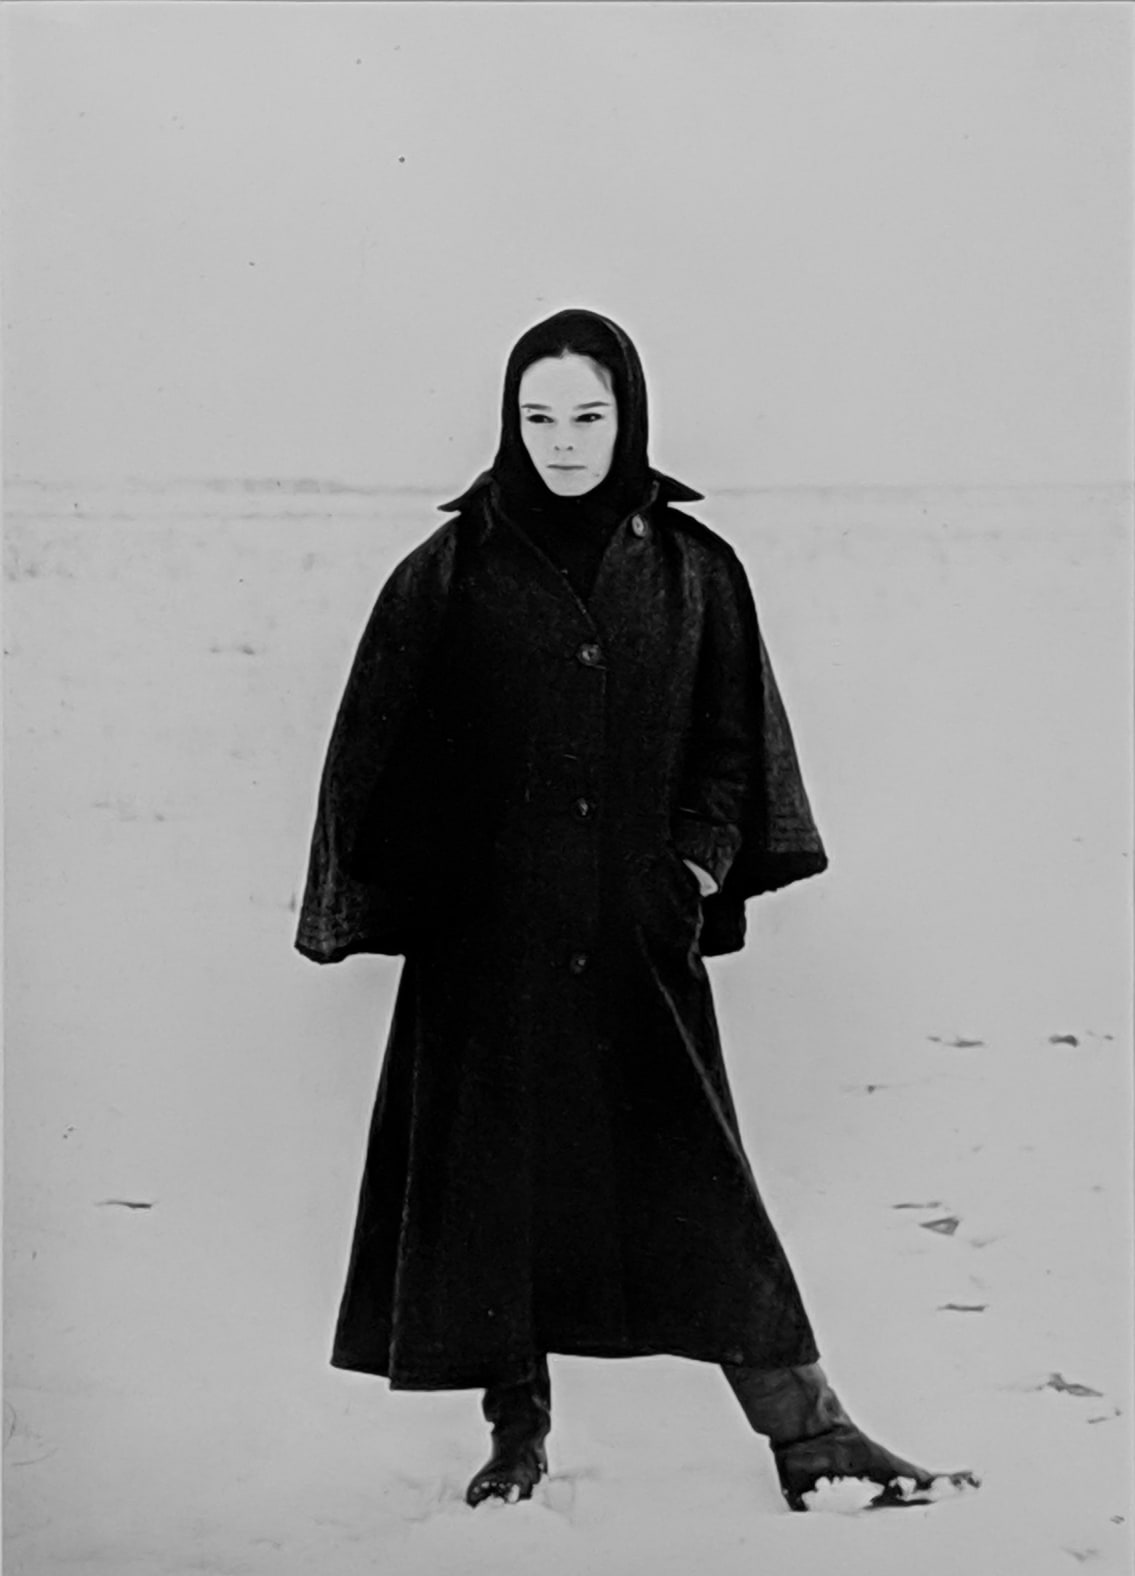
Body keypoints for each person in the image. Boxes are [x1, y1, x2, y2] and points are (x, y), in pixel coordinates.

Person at [295, 309, 979, 1513]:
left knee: (695, 1181)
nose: (563, 441)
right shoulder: (448, 571)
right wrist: (447, 879)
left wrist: (695, 870)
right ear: (509, 421)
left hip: (632, 940)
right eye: (538, 417)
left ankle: (810, 1433)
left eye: (588, 416)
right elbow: (372, 755)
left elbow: (729, 746)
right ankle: (517, 1436)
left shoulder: (693, 568)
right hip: (488, 953)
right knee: (493, 1190)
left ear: (631, 418)